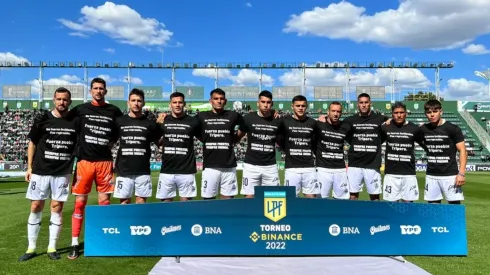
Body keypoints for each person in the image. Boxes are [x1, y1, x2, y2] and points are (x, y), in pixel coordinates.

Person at [19, 87, 80, 261]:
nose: (62, 102)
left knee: (56, 207)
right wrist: (29, 167)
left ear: (70, 101)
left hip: (62, 172)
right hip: (40, 170)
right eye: (59, 99)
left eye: (65, 99)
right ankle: (31, 248)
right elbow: (32, 143)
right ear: (54, 100)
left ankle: (52, 247)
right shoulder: (42, 119)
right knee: (36, 206)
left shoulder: (75, 121)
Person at [67, 77, 123, 259]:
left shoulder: (114, 110)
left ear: (105, 91)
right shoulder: (81, 109)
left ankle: (103, 239)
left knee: (104, 203)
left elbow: (120, 131)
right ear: (91, 91)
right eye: (95, 88)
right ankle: (75, 242)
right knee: (80, 203)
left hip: (105, 162)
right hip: (84, 162)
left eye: (102, 88)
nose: (98, 91)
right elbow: (65, 122)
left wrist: (112, 142)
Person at [113, 89, 162, 204]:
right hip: (123, 170)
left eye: (139, 101)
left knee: (141, 204)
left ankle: (138, 223)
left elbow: (159, 142)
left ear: (143, 103)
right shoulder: (119, 121)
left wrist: (162, 125)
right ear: (128, 102)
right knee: (124, 203)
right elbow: (111, 141)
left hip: (143, 170)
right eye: (133, 100)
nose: (136, 103)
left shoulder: (150, 123)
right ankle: (126, 223)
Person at [196, 88, 245, 199]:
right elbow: (191, 128)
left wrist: (234, 139)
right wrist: (205, 139)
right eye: (216, 99)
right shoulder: (201, 116)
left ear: (225, 101)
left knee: (227, 202)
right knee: (208, 200)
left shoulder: (233, 115)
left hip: (229, 166)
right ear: (210, 101)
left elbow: (246, 126)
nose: (219, 101)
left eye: (221, 99)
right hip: (210, 166)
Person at [420, 99, 467, 204]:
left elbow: (463, 150)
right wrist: (389, 120)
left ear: (441, 112)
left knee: (454, 209)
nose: (432, 115)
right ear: (425, 114)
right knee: (433, 209)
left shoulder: (452, 128)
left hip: (450, 176)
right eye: (428, 112)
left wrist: (462, 173)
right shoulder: (423, 129)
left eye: (435, 111)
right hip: (431, 175)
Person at [342, 93, 388, 201]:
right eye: (361, 103)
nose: (364, 105)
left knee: (375, 197)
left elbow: (386, 132)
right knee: (352, 196)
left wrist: (375, 142)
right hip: (354, 164)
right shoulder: (349, 120)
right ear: (357, 104)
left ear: (370, 103)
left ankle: (374, 218)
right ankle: (353, 218)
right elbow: (345, 136)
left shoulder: (380, 119)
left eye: (366, 102)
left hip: (372, 164)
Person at [156, 92, 200, 202]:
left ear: (184, 104)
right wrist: (158, 128)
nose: (177, 105)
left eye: (180, 102)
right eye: (174, 102)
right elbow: (156, 140)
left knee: (185, 205)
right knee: (165, 205)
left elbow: (204, 138)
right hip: (167, 169)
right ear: (170, 104)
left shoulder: (193, 121)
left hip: (187, 170)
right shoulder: (163, 120)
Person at [238, 90, 281, 198]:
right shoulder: (248, 118)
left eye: (268, 102)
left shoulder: (278, 120)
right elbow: (238, 135)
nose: (266, 105)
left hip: (270, 166)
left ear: (272, 104)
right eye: (263, 102)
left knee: (273, 198)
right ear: (258, 103)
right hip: (251, 165)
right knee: (249, 197)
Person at [381, 102, 424, 202]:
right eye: (396, 113)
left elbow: (425, 145)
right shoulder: (385, 127)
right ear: (392, 114)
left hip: (408, 173)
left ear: (406, 113)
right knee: (392, 207)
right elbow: (376, 141)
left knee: (408, 207)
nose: (399, 115)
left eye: (401, 112)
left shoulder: (414, 128)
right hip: (391, 174)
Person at [277, 95, 319, 198]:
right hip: (291, 167)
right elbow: (279, 139)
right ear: (292, 106)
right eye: (298, 105)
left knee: (311, 198)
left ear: (306, 107)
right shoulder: (284, 121)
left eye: (303, 106)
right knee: (290, 198)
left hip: (309, 167)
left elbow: (314, 142)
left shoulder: (313, 123)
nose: (300, 108)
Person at [315, 101, 351, 199]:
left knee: (342, 201)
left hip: (340, 169)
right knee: (320, 201)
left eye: (338, 111)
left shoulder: (346, 127)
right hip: (323, 169)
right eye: (333, 111)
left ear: (341, 113)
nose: (335, 114)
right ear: (328, 112)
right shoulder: (319, 124)